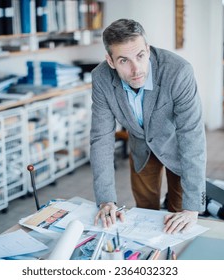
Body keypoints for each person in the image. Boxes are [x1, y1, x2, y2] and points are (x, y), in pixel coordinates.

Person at [90, 19, 207, 234]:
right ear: (110, 61)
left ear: (148, 49)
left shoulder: (179, 71)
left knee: (179, 214)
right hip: (141, 148)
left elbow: (192, 135)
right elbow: (101, 139)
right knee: (146, 213)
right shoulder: (101, 78)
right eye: (124, 60)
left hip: (177, 147)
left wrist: (192, 209)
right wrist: (106, 200)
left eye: (140, 56)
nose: (136, 69)